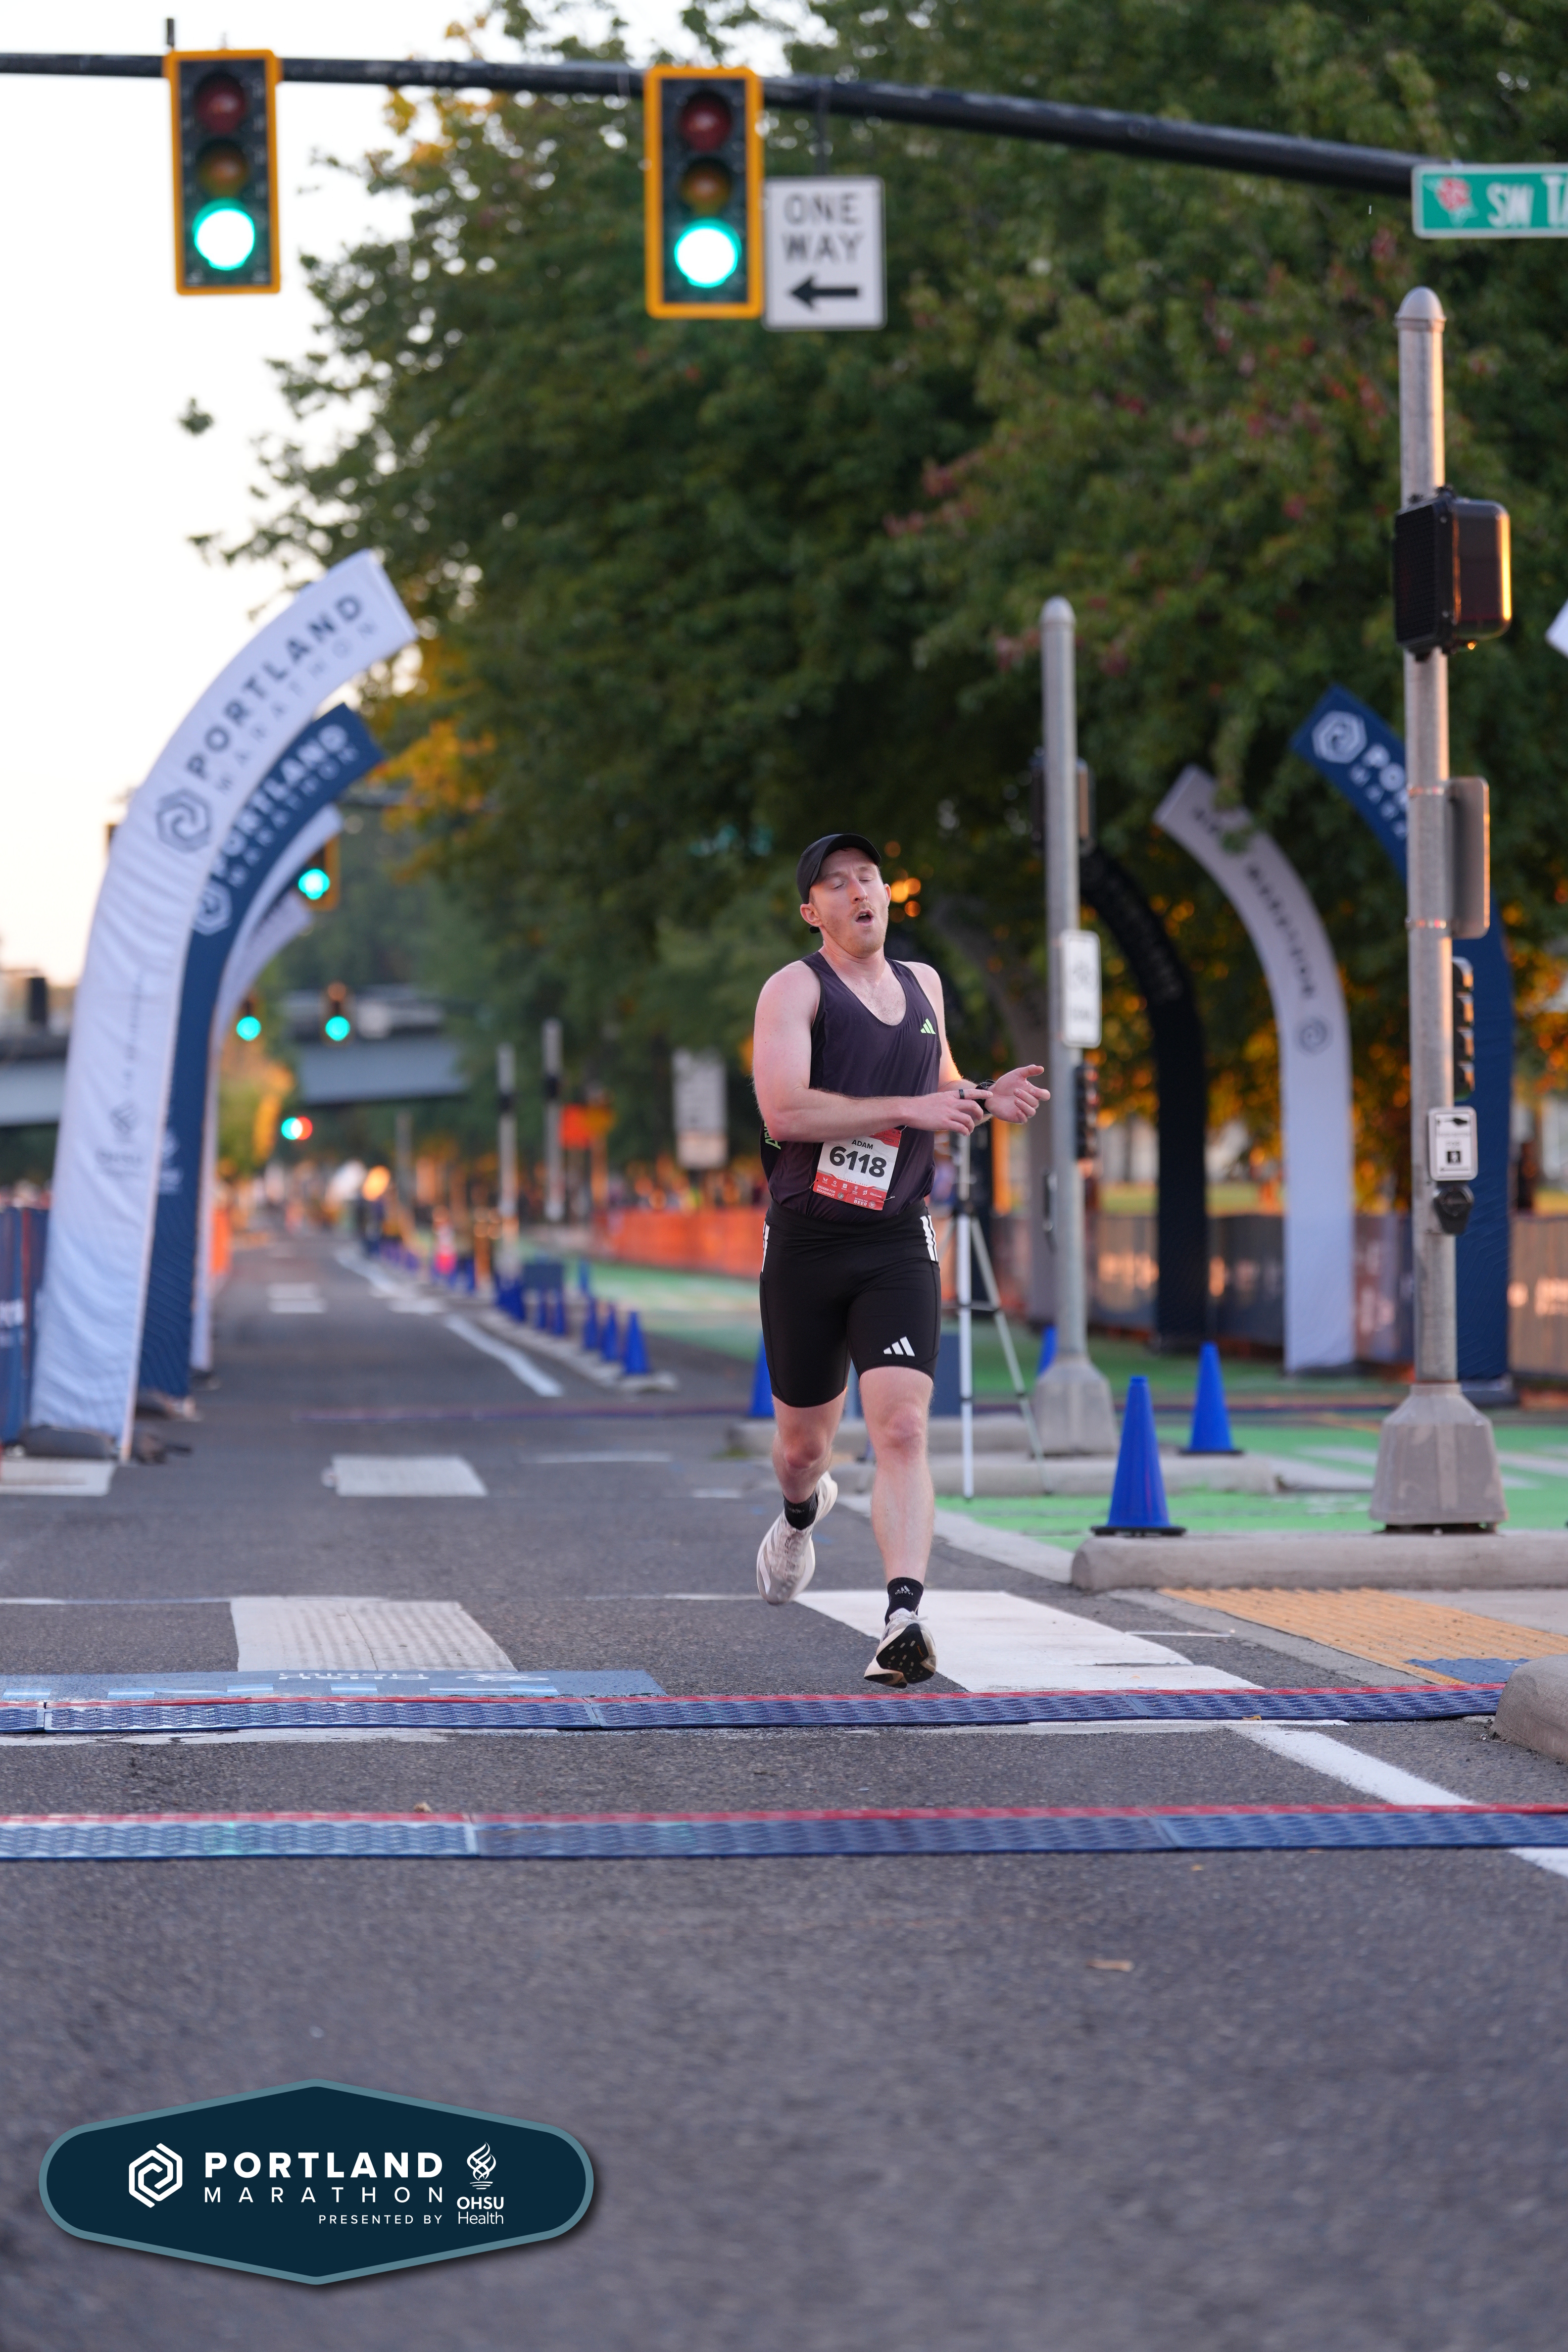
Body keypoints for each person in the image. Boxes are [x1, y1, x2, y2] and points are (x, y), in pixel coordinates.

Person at [750, 833, 1048, 1686]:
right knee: (801, 1450)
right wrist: (910, 1109)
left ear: (887, 894)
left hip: (895, 1238)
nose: (858, 892)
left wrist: (982, 1096)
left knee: (905, 1427)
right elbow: (784, 1112)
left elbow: (940, 1082)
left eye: (869, 878)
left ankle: (903, 1617)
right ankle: (799, 1515)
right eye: (836, 884)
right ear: (813, 912)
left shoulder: (925, 985)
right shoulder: (795, 989)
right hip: (808, 1242)